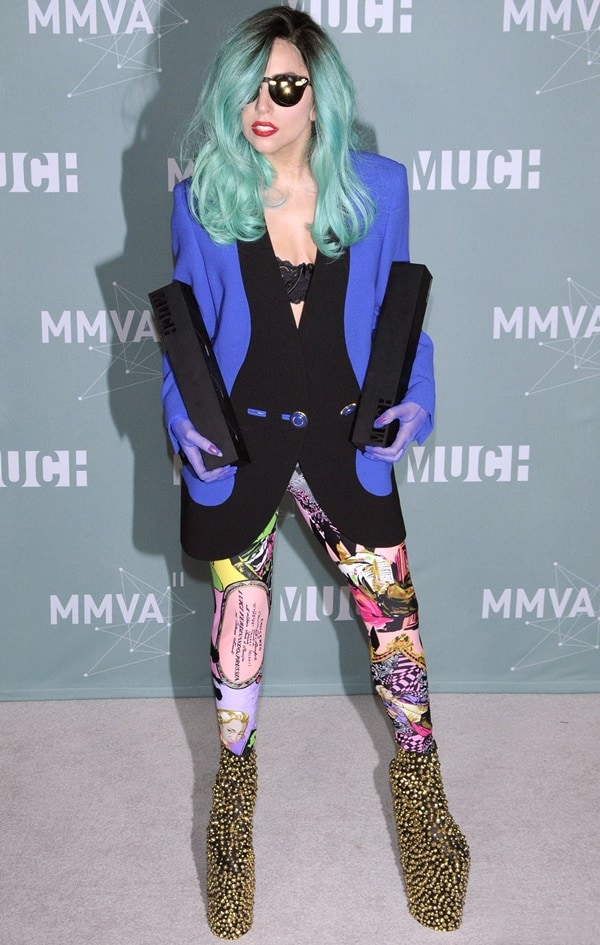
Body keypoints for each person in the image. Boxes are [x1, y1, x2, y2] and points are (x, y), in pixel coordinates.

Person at [161, 6, 469, 939]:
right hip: (242, 452)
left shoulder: (376, 188)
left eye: (285, 86)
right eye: (248, 88)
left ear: (318, 97)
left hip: (344, 445)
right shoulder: (201, 198)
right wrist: (184, 423)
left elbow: (400, 314)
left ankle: (425, 812)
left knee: (398, 643)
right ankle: (232, 822)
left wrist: (414, 399)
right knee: (236, 662)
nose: (264, 105)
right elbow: (188, 338)